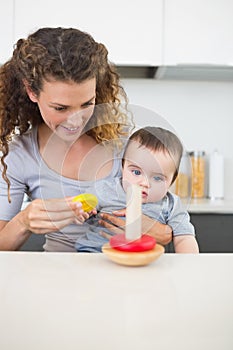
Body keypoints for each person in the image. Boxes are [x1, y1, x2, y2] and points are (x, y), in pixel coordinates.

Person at [0, 27, 172, 251]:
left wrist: (157, 231)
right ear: (32, 92)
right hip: (58, 277)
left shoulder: (127, 144)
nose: (75, 121)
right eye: (60, 108)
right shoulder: (19, 155)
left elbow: (170, 225)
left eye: (87, 104)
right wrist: (23, 221)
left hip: (123, 277)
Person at [75, 126, 199, 253]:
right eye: (136, 172)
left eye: (157, 178)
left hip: (144, 262)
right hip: (97, 254)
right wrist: (84, 212)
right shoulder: (104, 189)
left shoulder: (171, 204)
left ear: (171, 181)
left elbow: (184, 238)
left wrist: (188, 265)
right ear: (123, 167)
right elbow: (79, 208)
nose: (144, 183)